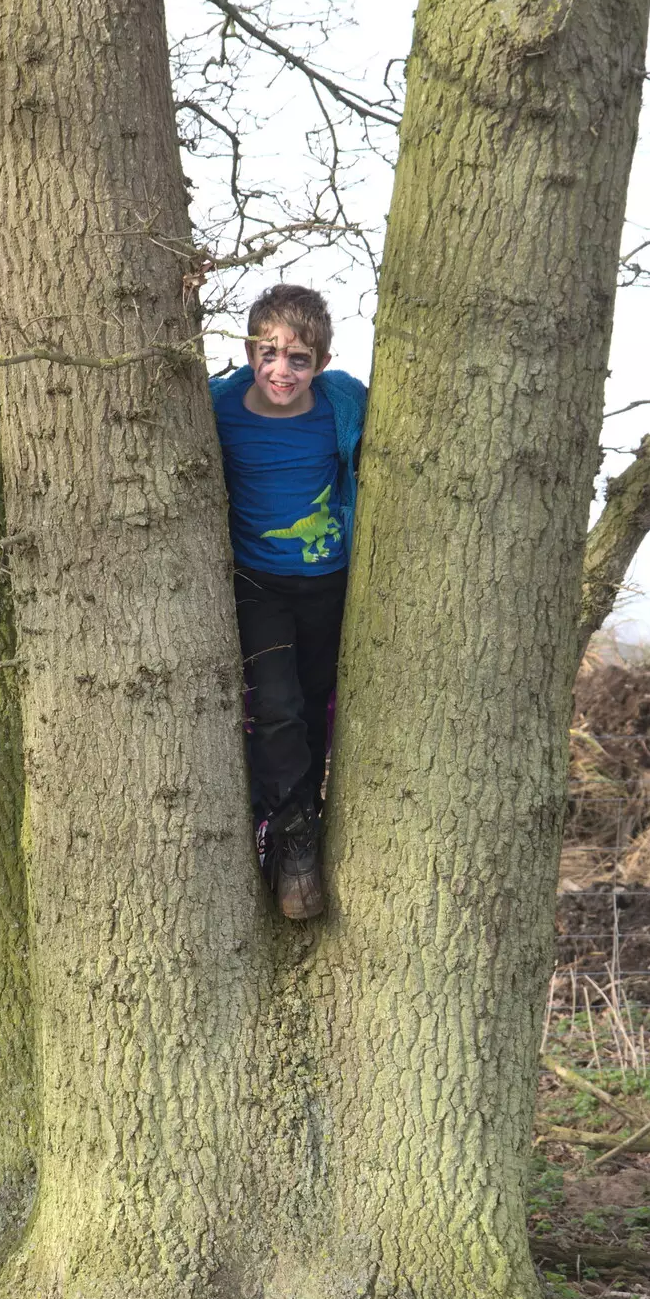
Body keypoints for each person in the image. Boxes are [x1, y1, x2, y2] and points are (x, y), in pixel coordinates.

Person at [210, 284, 367, 920]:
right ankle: (293, 834)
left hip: (331, 581)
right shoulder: (219, 407)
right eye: (268, 352)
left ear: (321, 365)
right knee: (274, 705)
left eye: (299, 359)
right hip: (258, 583)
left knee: (316, 705)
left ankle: (300, 812)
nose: (282, 369)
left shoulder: (342, 402)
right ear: (248, 350)